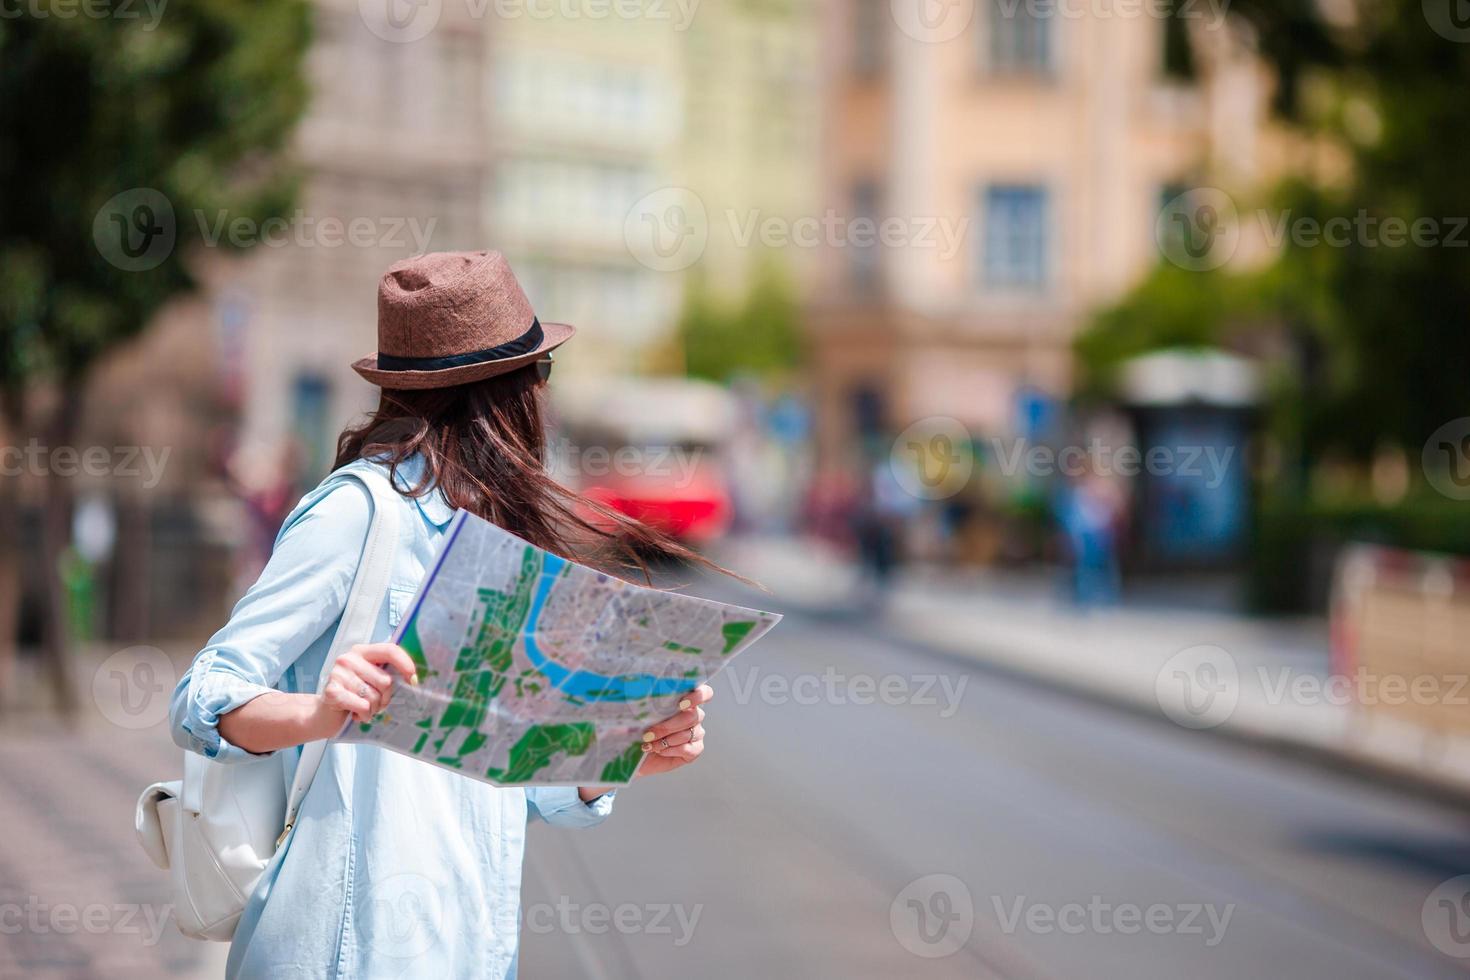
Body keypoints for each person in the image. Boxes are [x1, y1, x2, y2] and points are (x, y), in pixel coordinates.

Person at [170, 251, 719, 979]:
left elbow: (505, 771)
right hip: (348, 949)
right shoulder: (358, 512)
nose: (543, 402)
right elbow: (203, 696)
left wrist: (624, 755)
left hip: (471, 947)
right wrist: (321, 712)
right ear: (501, 398)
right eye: (538, 377)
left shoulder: (499, 540)